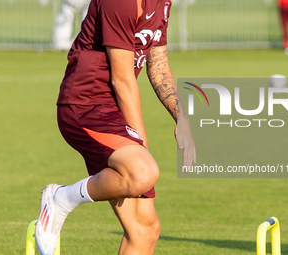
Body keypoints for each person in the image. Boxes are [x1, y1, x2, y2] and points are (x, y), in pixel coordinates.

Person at [35, 0, 196, 254]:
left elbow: (159, 64)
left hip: (112, 109)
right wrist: (141, 144)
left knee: (144, 229)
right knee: (142, 172)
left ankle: (62, 199)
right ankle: (61, 200)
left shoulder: (163, 2)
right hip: (85, 104)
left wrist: (182, 118)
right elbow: (122, 80)